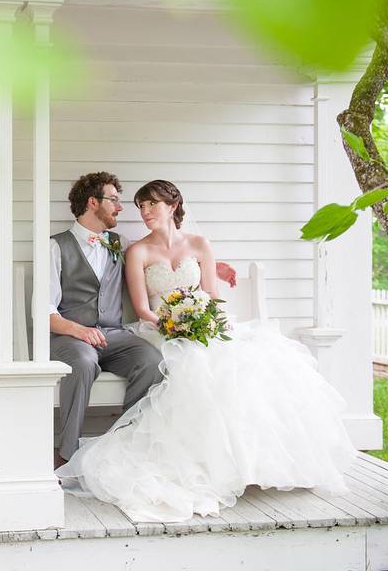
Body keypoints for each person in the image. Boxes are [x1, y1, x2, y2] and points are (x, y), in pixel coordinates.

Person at [55, 179, 357, 523]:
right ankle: (192, 462)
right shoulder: (136, 250)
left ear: (173, 204)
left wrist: (206, 321)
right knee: (189, 367)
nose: (145, 212)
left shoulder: (199, 244)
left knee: (249, 364)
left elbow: (212, 295)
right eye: (140, 206)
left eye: (151, 203)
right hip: (160, 330)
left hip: (202, 326)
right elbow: (142, 309)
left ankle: (250, 464)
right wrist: (175, 325)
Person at [49, 173, 237, 469]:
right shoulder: (56, 247)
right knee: (84, 361)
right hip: (71, 337)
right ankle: (67, 452)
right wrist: (79, 330)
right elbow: (44, 310)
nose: (121, 208)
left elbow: (166, 254)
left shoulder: (119, 244)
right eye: (114, 200)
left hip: (114, 334)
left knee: (151, 360)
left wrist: (215, 267)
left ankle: (123, 443)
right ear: (93, 202)